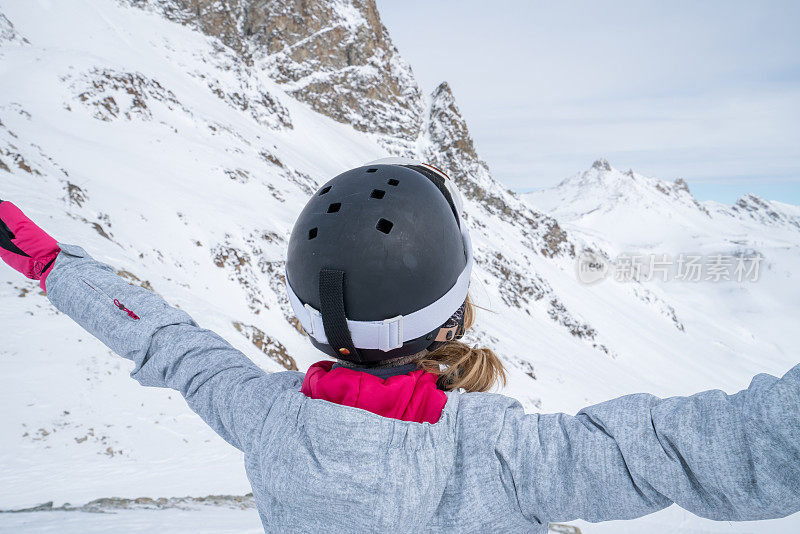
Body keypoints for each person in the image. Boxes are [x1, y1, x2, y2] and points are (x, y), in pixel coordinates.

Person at [1, 157, 798, 533]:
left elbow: (168, 341)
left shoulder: (264, 419)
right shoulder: (505, 453)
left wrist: (46, 262)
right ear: (450, 324)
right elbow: (706, 447)